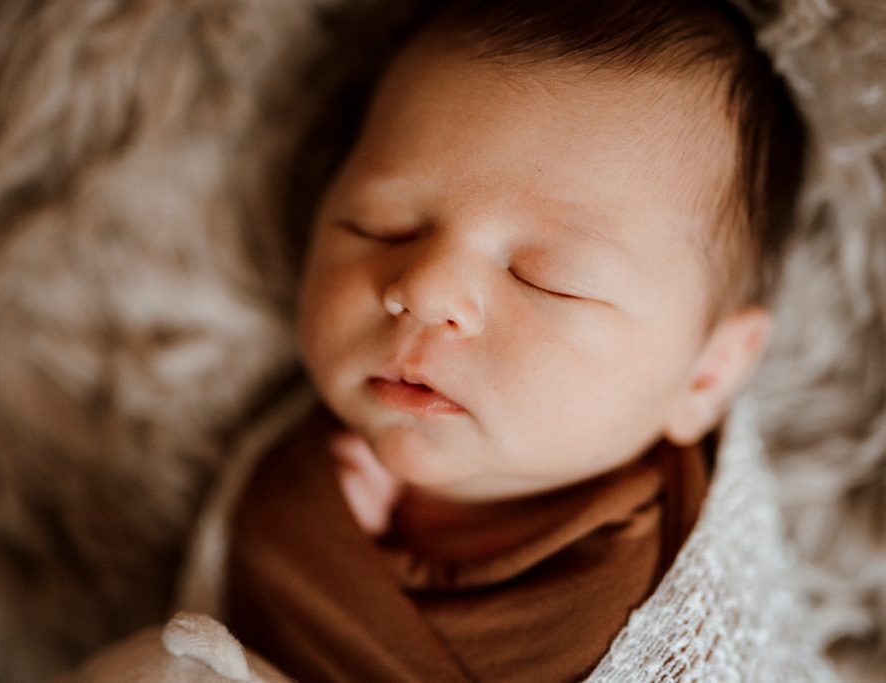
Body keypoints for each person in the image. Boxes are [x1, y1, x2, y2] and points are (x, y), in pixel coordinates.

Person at [64, 0, 836, 680]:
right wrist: (327, 538)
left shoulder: (678, 614)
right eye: (382, 226)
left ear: (707, 373)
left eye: (547, 277)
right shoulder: (289, 468)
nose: (424, 288)